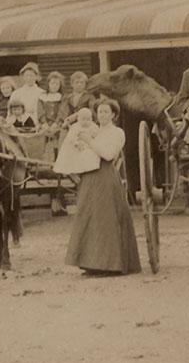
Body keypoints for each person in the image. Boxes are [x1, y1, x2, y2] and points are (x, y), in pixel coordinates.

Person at [64, 99, 141, 276]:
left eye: (106, 112)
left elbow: (108, 154)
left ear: (114, 114)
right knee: (89, 219)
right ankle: (91, 264)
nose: (103, 115)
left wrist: (89, 141)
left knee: (105, 220)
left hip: (105, 177)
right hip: (89, 177)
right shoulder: (94, 130)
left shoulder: (117, 132)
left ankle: (109, 265)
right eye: (100, 112)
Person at [52, 107, 101, 176]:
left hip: (89, 145)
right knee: (73, 154)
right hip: (77, 145)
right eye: (83, 119)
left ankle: (89, 169)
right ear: (78, 119)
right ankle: (76, 170)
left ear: (91, 119)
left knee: (90, 155)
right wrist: (76, 143)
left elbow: (98, 134)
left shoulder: (93, 126)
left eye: (88, 119)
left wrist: (94, 137)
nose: (86, 122)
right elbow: (71, 138)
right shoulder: (76, 127)